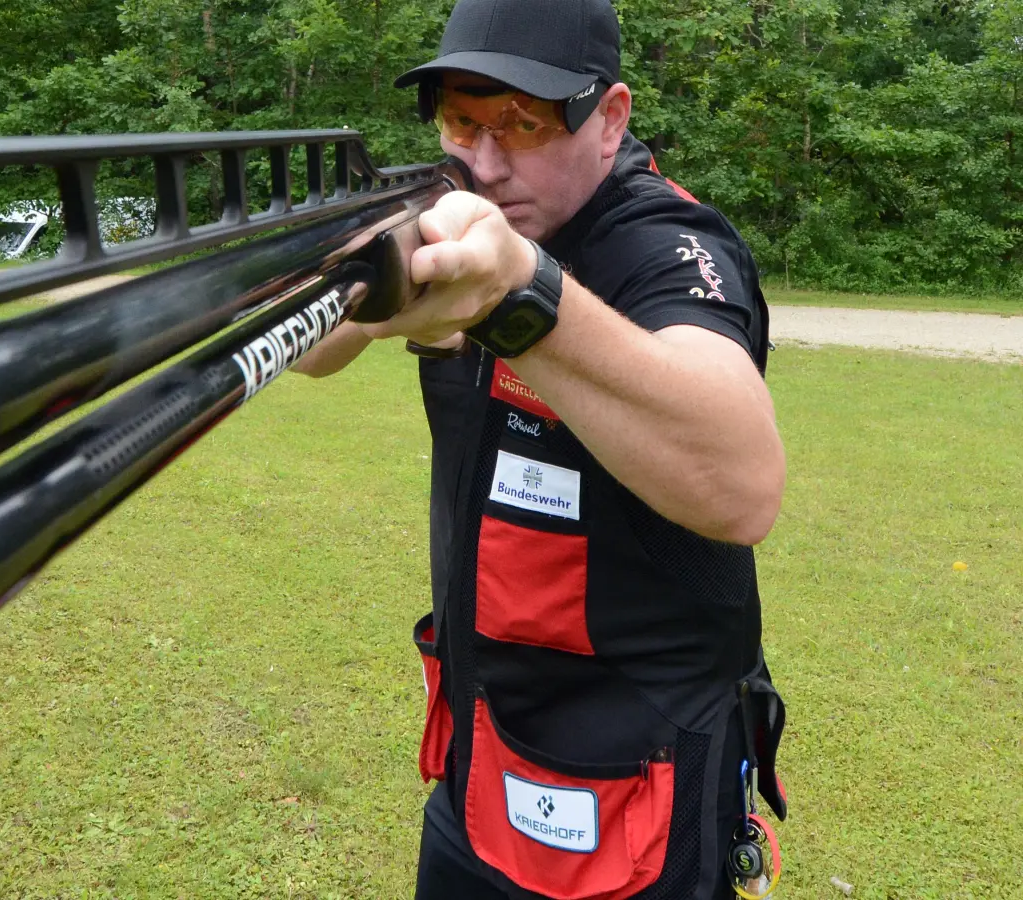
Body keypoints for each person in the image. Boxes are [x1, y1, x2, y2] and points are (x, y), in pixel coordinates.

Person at [293, 0, 791, 897]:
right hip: (480, 751)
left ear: (610, 118)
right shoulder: (459, 208)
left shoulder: (665, 240)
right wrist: (366, 271)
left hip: (648, 782)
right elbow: (316, 352)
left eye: (523, 122)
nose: (485, 163)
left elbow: (743, 485)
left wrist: (521, 296)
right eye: (461, 121)